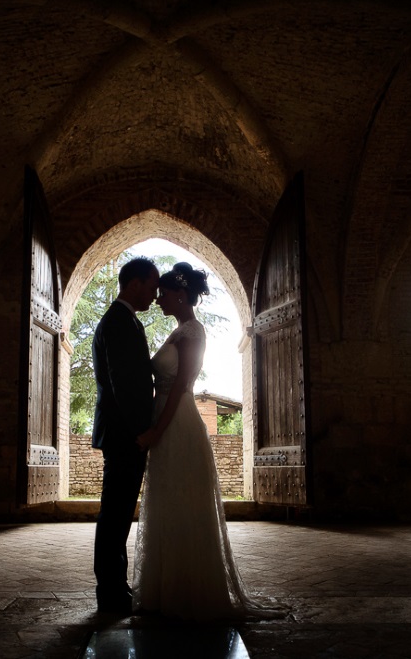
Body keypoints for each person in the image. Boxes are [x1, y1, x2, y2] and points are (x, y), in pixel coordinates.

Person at [133, 262, 285, 621]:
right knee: (167, 501)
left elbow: (182, 388)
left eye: (164, 293)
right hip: (165, 418)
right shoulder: (177, 331)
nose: (158, 299)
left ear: (181, 295)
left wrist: (157, 431)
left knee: (184, 502)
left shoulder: (193, 332)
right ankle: (165, 588)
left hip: (178, 423)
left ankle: (189, 590)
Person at [92, 256, 160, 614]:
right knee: (115, 513)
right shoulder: (117, 322)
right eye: (151, 287)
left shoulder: (128, 321)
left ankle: (116, 588)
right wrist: (142, 431)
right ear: (133, 284)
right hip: (124, 434)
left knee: (118, 513)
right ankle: (110, 593)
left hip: (124, 432)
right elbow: (123, 385)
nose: (154, 294)